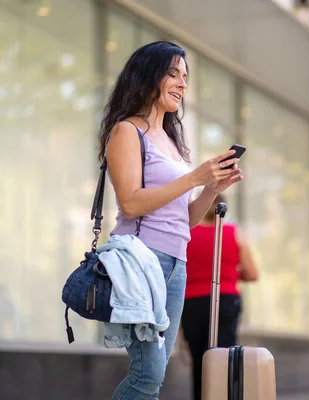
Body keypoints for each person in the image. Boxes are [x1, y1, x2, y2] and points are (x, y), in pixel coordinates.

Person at [98, 41, 244, 400]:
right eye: (173, 74)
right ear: (148, 76)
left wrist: (210, 188)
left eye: (185, 77)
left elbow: (186, 219)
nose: (182, 84)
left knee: (155, 373)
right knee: (148, 372)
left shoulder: (171, 142)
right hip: (142, 261)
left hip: (175, 263)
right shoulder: (126, 131)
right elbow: (131, 203)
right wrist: (195, 177)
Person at [180, 194, 259, 400]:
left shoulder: (185, 234)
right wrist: (230, 273)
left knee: (200, 359)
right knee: (223, 358)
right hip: (225, 299)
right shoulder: (233, 233)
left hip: (191, 303)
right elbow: (252, 273)